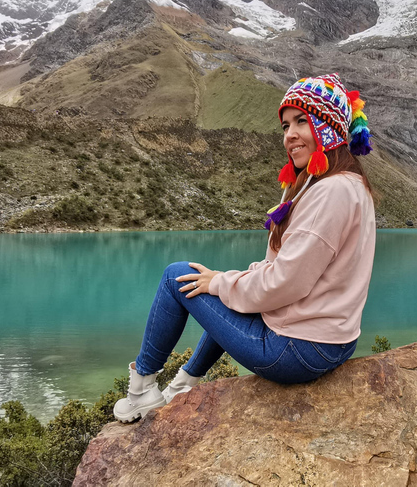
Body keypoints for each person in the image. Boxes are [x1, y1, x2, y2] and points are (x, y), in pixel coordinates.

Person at [114, 73, 377, 423]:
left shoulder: (330, 191)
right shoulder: (348, 184)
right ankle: (183, 385)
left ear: (328, 126)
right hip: (330, 342)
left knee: (176, 276)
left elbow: (286, 283)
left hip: (297, 351)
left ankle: (141, 390)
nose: (289, 135)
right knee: (229, 290)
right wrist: (227, 282)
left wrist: (221, 284)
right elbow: (287, 275)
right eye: (285, 126)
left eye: (302, 121)